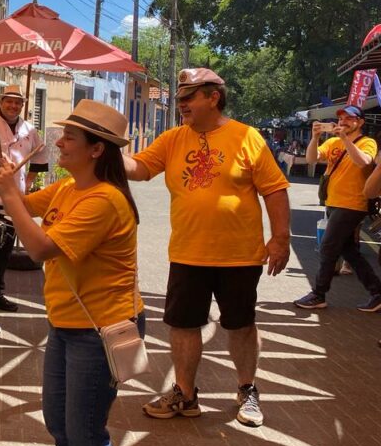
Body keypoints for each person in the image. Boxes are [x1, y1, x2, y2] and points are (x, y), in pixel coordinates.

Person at [0, 100, 141, 446]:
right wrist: (4, 182)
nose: (59, 143)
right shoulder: (68, 189)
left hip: (98, 331)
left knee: (86, 433)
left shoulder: (104, 200)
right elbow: (19, 204)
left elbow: (39, 248)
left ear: (98, 149)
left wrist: (11, 196)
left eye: (70, 139)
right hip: (66, 325)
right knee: (60, 424)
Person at [126, 68, 290, 427]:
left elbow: (274, 189)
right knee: (183, 326)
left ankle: (247, 389)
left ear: (213, 97)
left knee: (241, 325)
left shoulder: (247, 137)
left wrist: (280, 238)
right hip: (188, 253)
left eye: (189, 97)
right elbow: (139, 168)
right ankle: (185, 394)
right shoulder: (172, 139)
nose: (181, 104)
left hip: (239, 255)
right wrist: (106, 149)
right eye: (180, 97)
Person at [295, 105, 381, 311]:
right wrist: (315, 137)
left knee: (327, 247)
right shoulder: (332, 141)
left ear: (360, 122)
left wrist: (345, 139)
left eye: (349, 118)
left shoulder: (367, 142)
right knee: (349, 252)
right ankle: (377, 292)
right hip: (333, 202)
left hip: (352, 204)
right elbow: (311, 159)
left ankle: (319, 294)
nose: (343, 121)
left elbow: (363, 162)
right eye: (341, 118)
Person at [0, 84, 46, 312]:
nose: (13, 106)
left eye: (17, 102)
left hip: (13, 200)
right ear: (0, 101)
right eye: (8, 101)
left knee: (4, 249)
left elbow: (40, 159)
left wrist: (28, 183)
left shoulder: (30, 130)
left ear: (22, 105)